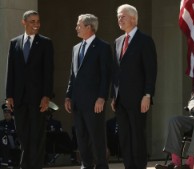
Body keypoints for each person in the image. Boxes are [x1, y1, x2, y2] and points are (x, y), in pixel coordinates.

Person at [5, 10, 54, 169]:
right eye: (32, 21)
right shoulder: (14, 43)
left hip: (38, 99)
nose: (36, 25)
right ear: (24, 22)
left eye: (38, 21)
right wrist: (9, 95)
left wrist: (46, 96)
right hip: (19, 99)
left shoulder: (46, 43)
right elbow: (10, 71)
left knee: (37, 136)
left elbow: (49, 72)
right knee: (23, 135)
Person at [110, 4, 157, 169]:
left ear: (133, 18)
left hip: (138, 99)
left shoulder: (145, 40)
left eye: (122, 16)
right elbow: (115, 71)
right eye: (118, 16)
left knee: (137, 136)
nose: (119, 19)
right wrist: (113, 96)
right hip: (121, 100)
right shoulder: (118, 41)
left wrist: (148, 94)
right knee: (124, 137)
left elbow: (151, 71)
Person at [64, 13, 112, 169]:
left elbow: (106, 75)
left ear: (89, 27)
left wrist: (101, 97)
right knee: (81, 137)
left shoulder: (103, 47)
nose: (76, 28)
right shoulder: (75, 48)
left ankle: (101, 166)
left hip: (94, 102)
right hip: (77, 102)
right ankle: (86, 165)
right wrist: (68, 96)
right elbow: (73, 75)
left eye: (79, 25)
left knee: (96, 136)